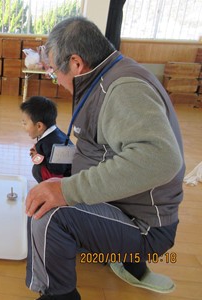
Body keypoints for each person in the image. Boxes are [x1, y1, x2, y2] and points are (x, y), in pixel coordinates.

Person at [24, 17, 185, 300]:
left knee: (46, 215)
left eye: (54, 72)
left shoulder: (122, 89)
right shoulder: (106, 75)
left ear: (75, 63)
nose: (57, 80)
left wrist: (67, 190)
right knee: (44, 195)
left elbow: (161, 158)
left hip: (145, 227)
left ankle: (59, 296)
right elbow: (102, 149)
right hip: (125, 207)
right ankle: (103, 252)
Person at [20, 96, 71, 183]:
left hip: (65, 179)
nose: (23, 126)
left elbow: (58, 170)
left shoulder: (52, 145)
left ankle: (49, 188)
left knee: (37, 170)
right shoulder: (54, 133)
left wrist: (38, 157)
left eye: (25, 123)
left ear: (39, 126)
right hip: (66, 170)